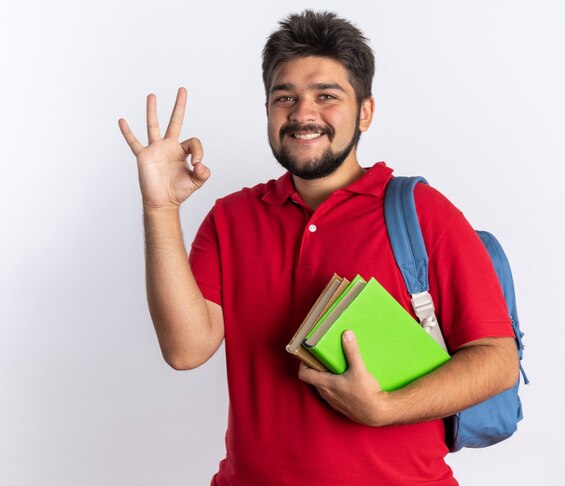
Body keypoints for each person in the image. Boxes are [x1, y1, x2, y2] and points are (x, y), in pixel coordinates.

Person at [119, 10, 519, 486]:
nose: (303, 114)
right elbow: (185, 350)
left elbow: (497, 359)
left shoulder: (421, 212)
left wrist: (385, 408)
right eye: (284, 97)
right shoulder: (232, 218)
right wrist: (160, 209)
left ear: (365, 111)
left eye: (326, 96)